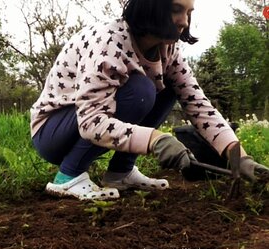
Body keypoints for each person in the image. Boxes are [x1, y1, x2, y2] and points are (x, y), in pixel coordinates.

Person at [30, 0, 269, 201]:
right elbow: (91, 122)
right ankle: (68, 176)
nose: (184, 21)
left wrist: (238, 155)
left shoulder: (168, 50)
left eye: (188, 13)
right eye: (176, 9)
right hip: (52, 132)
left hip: (87, 124)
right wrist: (156, 140)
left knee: (168, 87)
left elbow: (199, 105)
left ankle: (120, 172)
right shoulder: (109, 43)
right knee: (141, 89)